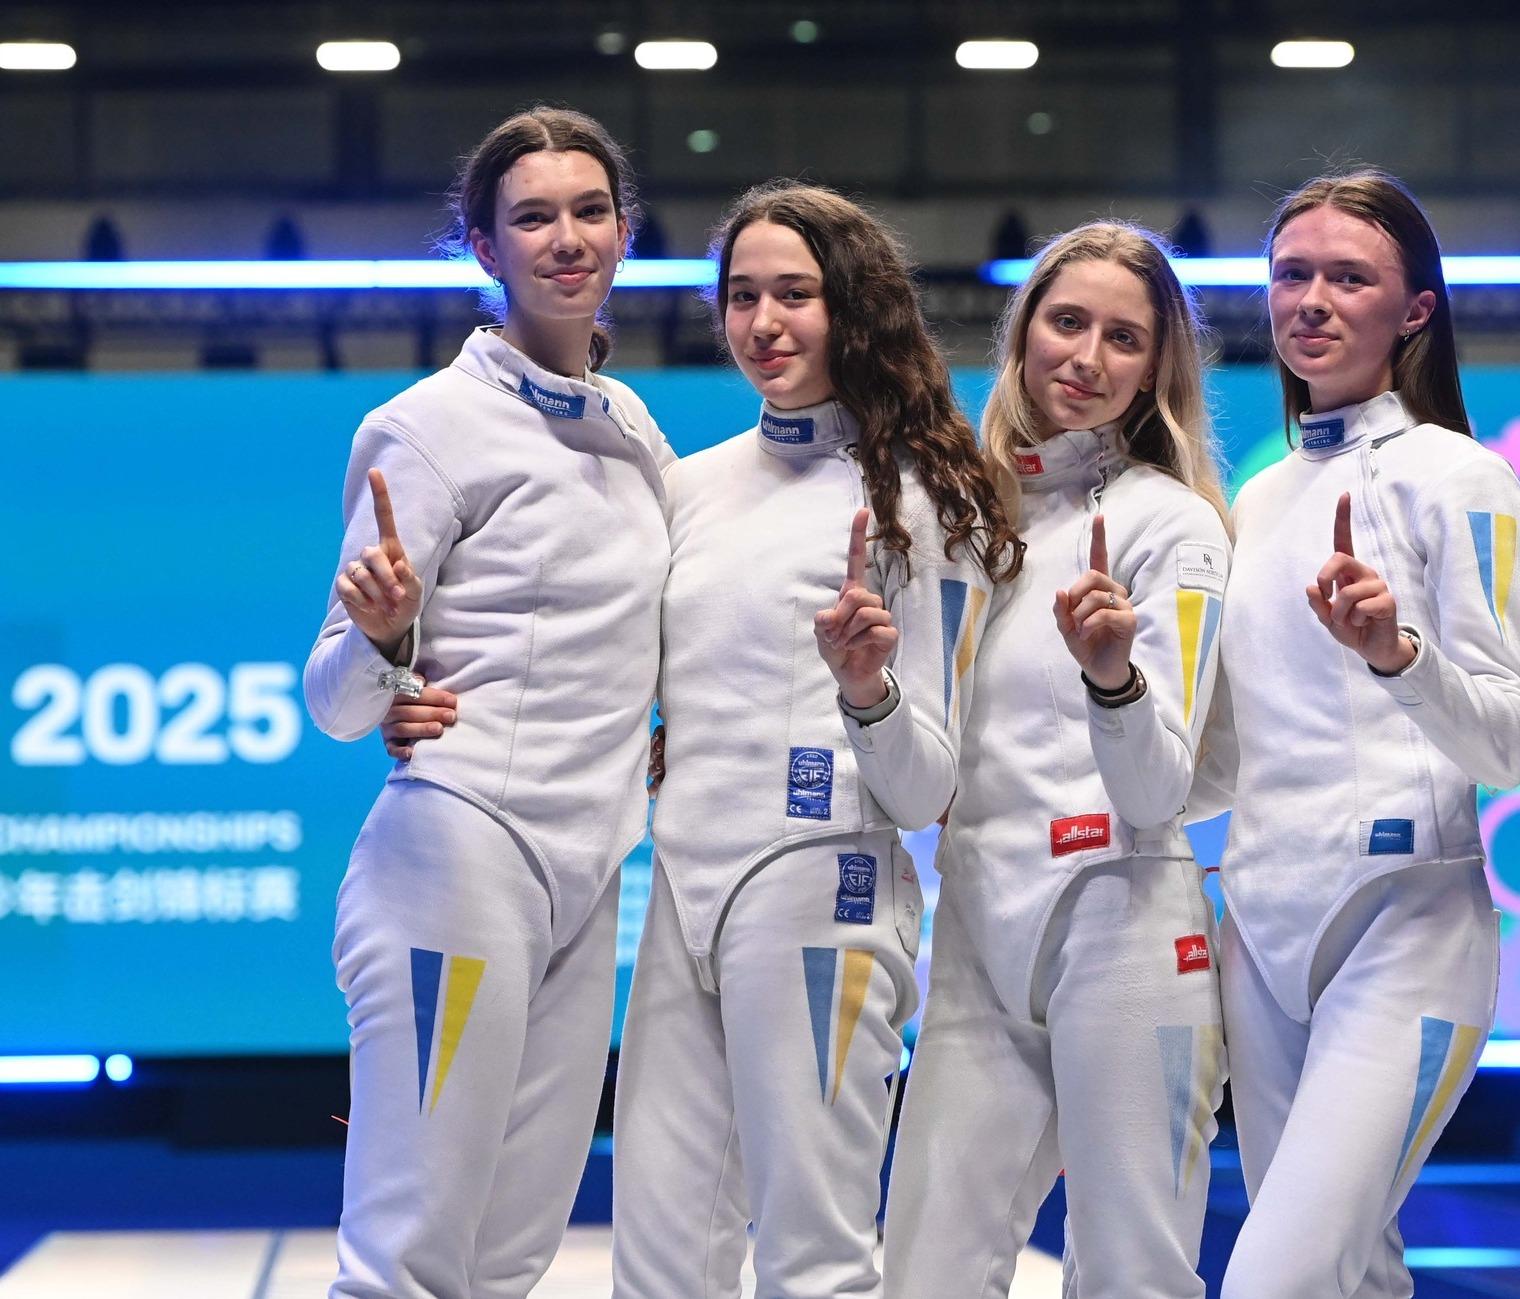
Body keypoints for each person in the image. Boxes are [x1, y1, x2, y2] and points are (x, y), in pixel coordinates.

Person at [607, 181, 1023, 1299]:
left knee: (813, 1256)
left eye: (794, 293)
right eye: (742, 295)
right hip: (683, 890)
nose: (763, 322)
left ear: (852, 305)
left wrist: (866, 689)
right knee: (658, 1258)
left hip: (823, 889)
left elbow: (925, 785)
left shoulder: (921, 503)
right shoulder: (689, 487)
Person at [305, 106, 674, 1299]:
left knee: (510, 1252)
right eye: (533, 217)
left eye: (589, 211)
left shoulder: (632, 430)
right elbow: (334, 699)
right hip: (456, 859)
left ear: (622, 231)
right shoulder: (425, 427)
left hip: (587, 877)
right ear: (484, 246)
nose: (567, 239)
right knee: (408, 1253)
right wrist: (381, 643)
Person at [1191, 169, 1520, 1299]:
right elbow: (1232, 758)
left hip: (1410, 930)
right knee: (1355, 1278)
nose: (1312, 301)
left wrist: (1397, 653)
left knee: (1276, 1281)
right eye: (1292, 274)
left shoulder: (1463, 479)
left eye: (1349, 278)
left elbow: (1511, 744)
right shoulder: (1256, 502)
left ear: (1415, 309)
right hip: (1261, 937)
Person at [882, 221, 1231, 1298]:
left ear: (1157, 367)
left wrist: (1112, 676)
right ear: (1022, 330)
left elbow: (1159, 788)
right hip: (977, 928)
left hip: (1125, 923)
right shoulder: (964, 520)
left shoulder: (1173, 526)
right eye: (1066, 322)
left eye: (1123, 338)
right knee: (925, 1275)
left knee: (1131, 1276)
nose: (1085, 357)